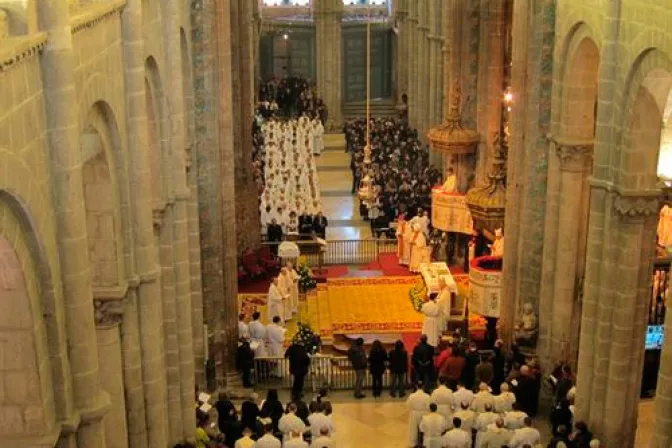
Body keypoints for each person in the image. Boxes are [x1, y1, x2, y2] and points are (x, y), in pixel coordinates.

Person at [406, 383, 431, 448]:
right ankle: (423, 443)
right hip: (424, 414)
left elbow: (408, 405)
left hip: (414, 413)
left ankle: (413, 443)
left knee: (413, 429)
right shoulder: (427, 396)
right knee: (423, 429)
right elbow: (428, 407)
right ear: (423, 387)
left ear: (417, 387)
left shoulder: (412, 396)